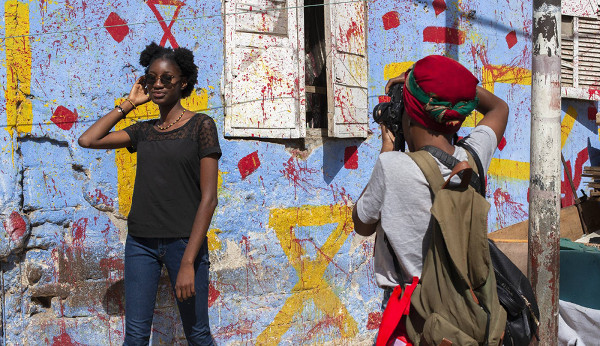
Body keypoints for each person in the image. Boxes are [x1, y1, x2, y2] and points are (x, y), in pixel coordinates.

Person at [78, 42, 220, 345]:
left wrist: (187, 263)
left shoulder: (201, 126)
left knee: (197, 333)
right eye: (151, 77)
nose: (157, 84)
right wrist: (128, 104)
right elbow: (88, 140)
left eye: (166, 78)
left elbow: (209, 199)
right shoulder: (143, 131)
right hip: (141, 243)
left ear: (183, 82)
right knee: (136, 336)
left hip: (185, 244)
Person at [352, 55, 509, 320]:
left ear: (408, 114)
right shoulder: (472, 159)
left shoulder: (391, 167)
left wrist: (387, 147)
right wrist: (446, 87)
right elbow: (498, 109)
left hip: (412, 317)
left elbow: (362, 223)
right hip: (465, 313)